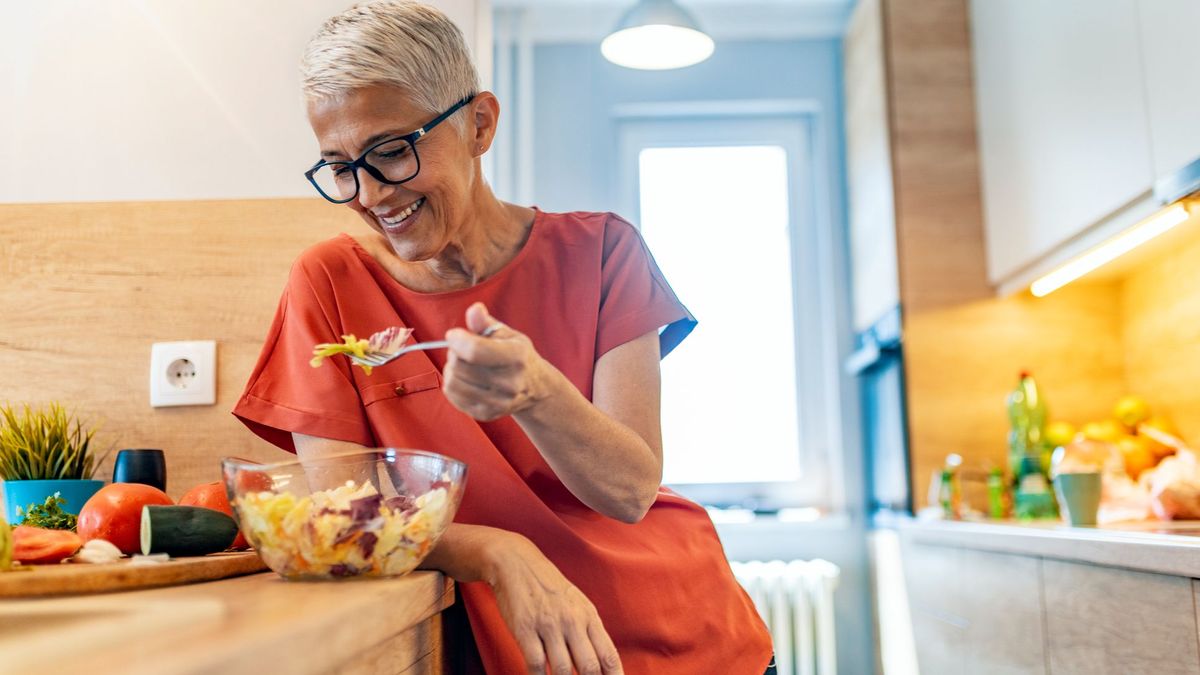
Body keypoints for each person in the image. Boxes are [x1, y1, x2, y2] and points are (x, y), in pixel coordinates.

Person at [233, 2, 774, 673]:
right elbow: (350, 522)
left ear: (478, 124)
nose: (369, 194)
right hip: (527, 648)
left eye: (393, 151)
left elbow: (630, 491)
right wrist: (497, 551)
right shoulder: (329, 282)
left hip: (692, 635)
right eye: (341, 166)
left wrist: (536, 390)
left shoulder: (604, 251)